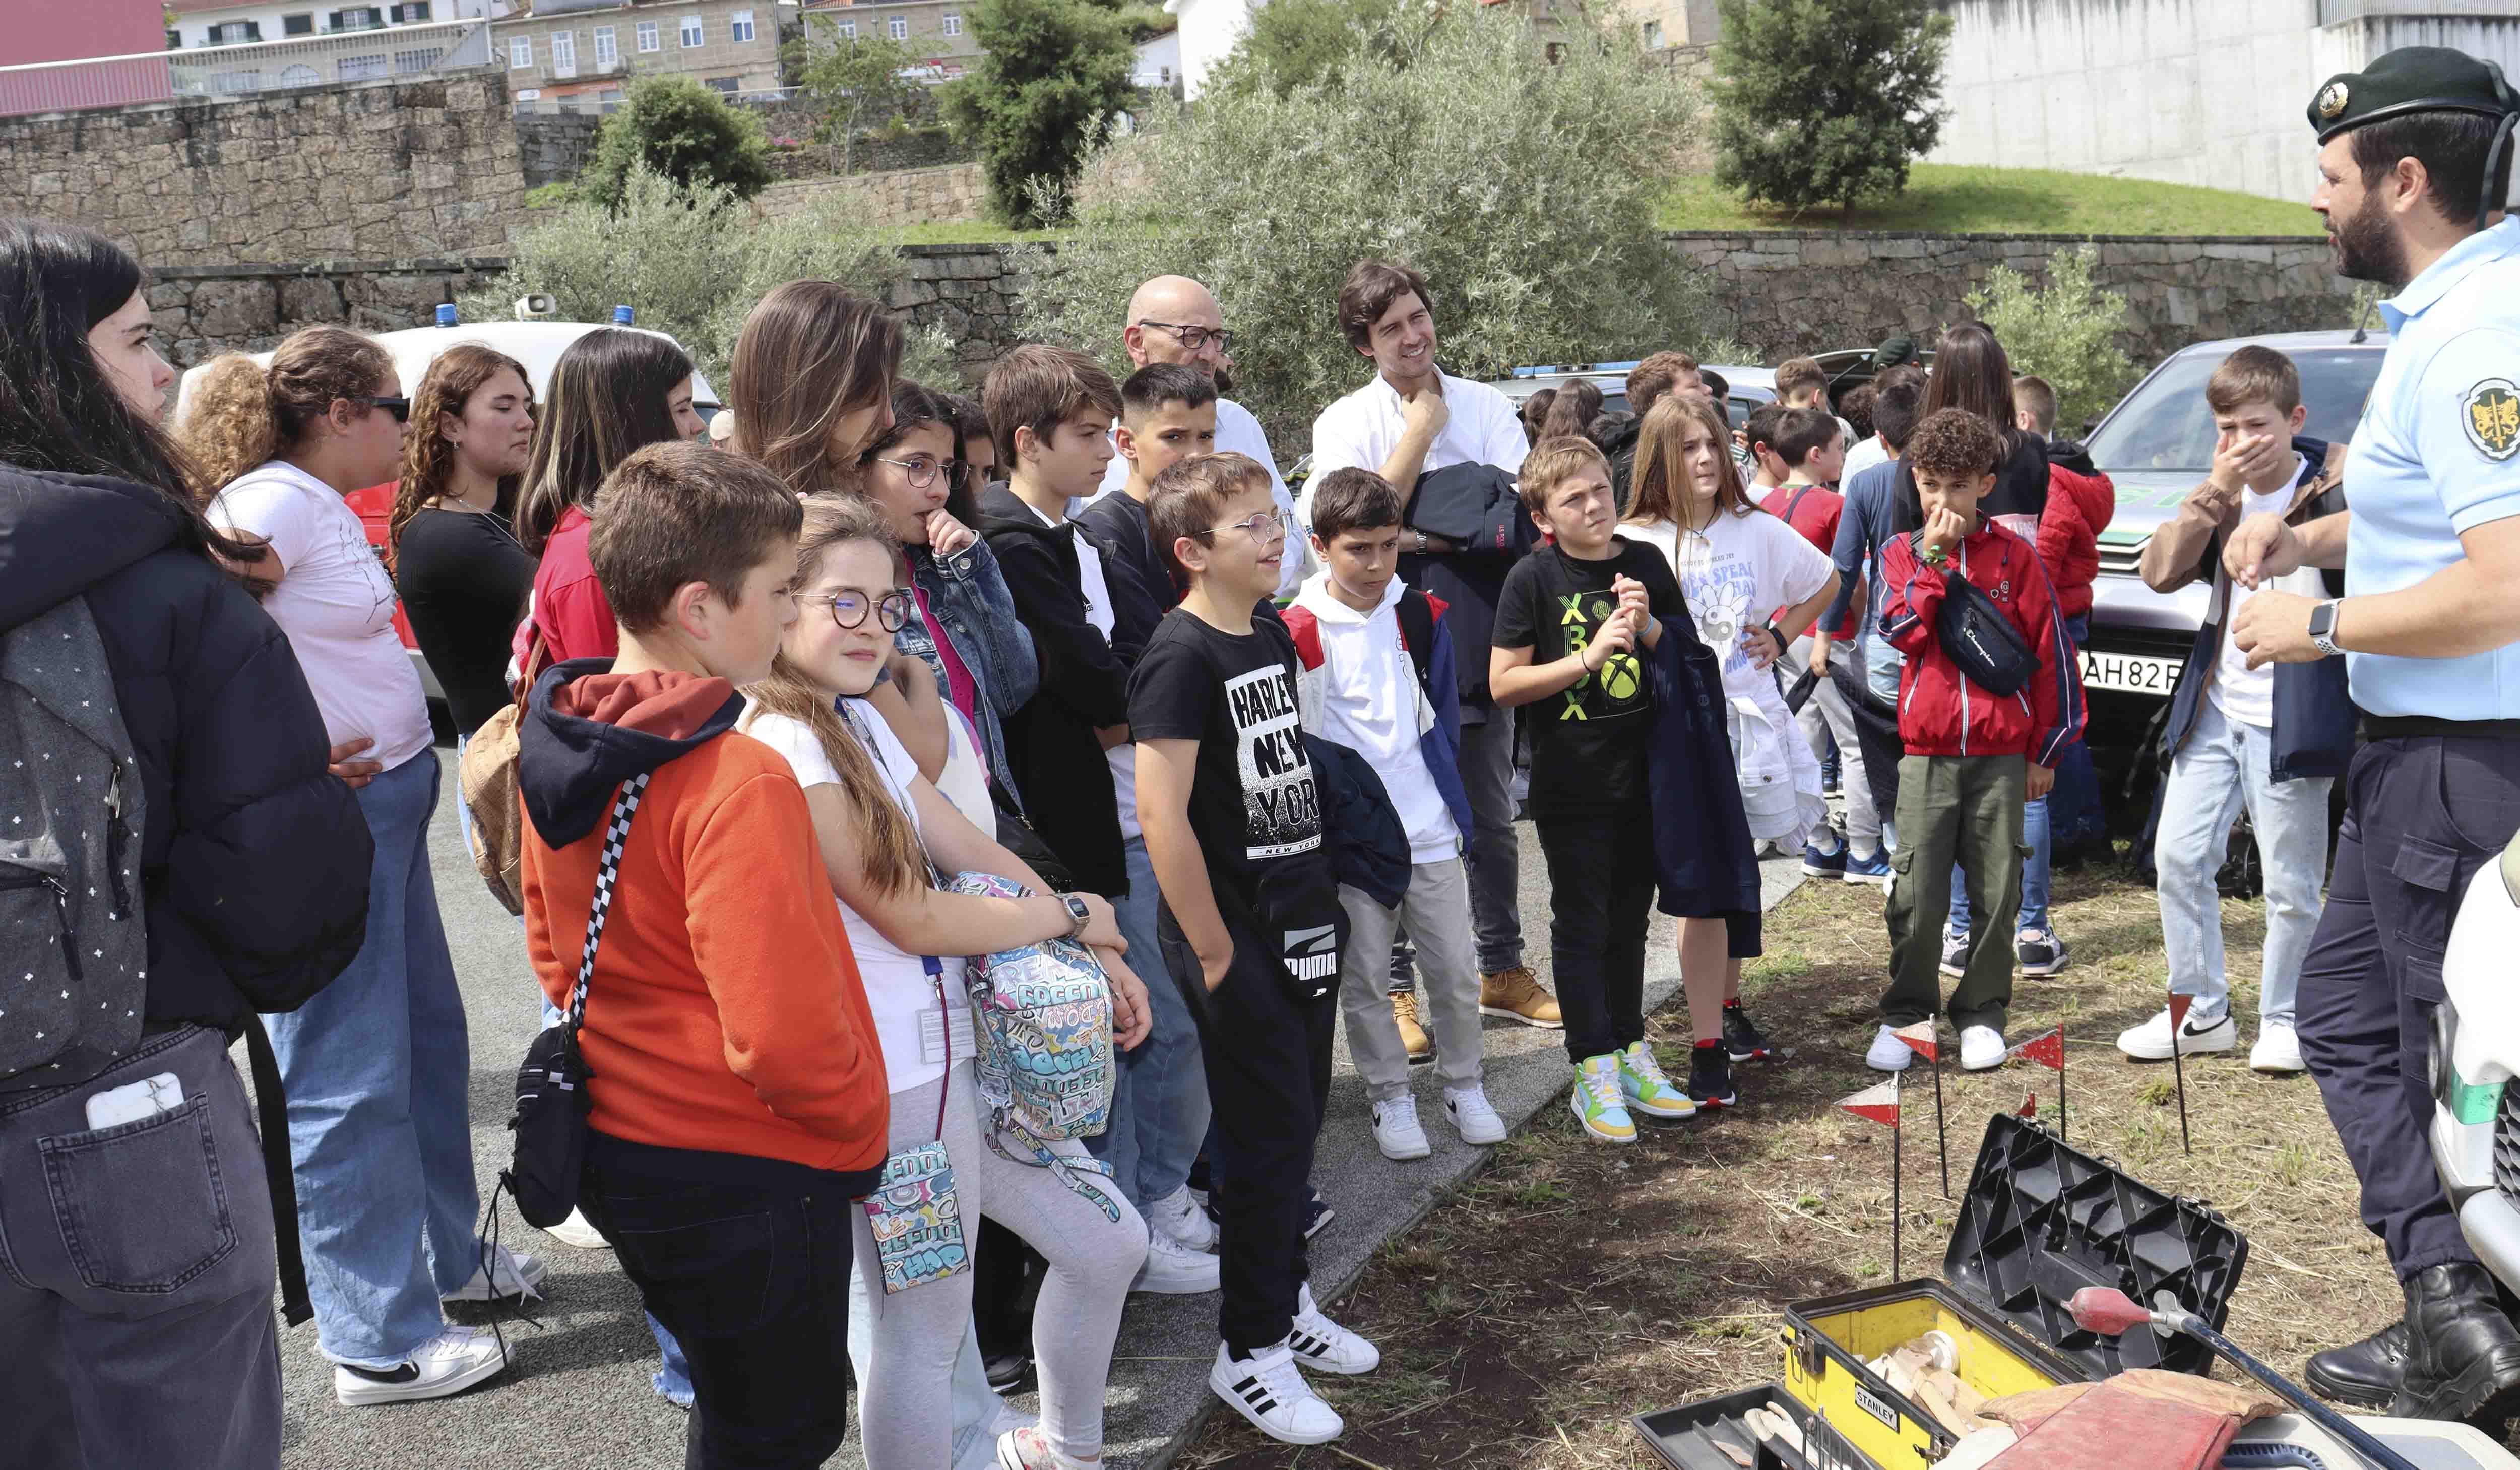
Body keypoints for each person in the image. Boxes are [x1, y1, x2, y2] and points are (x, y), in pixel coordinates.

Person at [0, 217, 370, 1470]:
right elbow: (291, 900)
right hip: (129, 1088)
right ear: (46, 364)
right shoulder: (161, 579)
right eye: (138, 341)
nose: (165, 375)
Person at [2224, 49, 2520, 1424]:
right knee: (2345, 1016)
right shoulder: (2464, 311)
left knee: (2437, 1060)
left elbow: (2507, 580)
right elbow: (2435, 519)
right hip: (2426, 762)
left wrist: (2317, 630)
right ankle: (2448, 1305)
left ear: (2404, 181)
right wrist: (2313, 530)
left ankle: (2476, 1330)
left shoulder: (2473, 339)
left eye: (2333, 178)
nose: (2319, 202)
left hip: (2459, 767)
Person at [737, 495, 1154, 1470]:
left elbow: (964, 839)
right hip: (898, 1091)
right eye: (846, 602)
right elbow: (910, 913)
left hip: (965, 1069)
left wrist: (1087, 942)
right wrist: (1076, 915)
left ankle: (1069, 1452)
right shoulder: (786, 742)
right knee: (922, 1333)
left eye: (887, 606)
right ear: (779, 599)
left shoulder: (851, 720)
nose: (873, 628)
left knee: (1107, 1244)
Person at [184, 326, 538, 1400]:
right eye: (395, 406)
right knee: (346, 1072)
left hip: (382, 810)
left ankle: (444, 1264)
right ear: (342, 413)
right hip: (332, 824)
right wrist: (275, 753)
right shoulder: (273, 501)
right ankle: (373, 1337)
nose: (405, 424)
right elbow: (191, 616)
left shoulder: (307, 499)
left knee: (426, 1043)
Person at [519, 441, 888, 1467]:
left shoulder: (560, 733)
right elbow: (780, 1036)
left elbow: (556, 955)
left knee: (733, 1406)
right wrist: (859, 1121)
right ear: (697, 607)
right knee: (783, 1428)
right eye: (777, 589)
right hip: (749, 1165)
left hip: (626, 1147)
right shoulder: (739, 777)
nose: (786, 611)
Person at [1132, 452, 1383, 1447]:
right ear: (1192, 552)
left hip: (1298, 918)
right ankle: (1249, 1353)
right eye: (1249, 526)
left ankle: (1285, 1307)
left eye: (1273, 517)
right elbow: (1161, 814)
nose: (1273, 536)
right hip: (1228, 936)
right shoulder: (1180, 655)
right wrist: (1211, 947)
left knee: (1297, 1125)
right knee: (1266, 1136)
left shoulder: (1269, 633)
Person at [978, 345, 1213, 1295]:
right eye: (1085, 436)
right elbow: (1079, 674)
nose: (1100, 455)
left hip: (1108, 805)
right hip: (1071, 824)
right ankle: (1127, 1224)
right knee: (1124, 1032)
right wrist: (1144, 700)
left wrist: (1137, 694)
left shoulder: (1076, 534)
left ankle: (1148, 1205)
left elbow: (1127, 655)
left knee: (1151, 1023)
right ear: (1027, 441)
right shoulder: (1007, 537)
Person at [1305, 259, 1560, 1030]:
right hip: (1376, 643)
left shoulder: (1486, 404)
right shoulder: (1344, 422)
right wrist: (1420, 438)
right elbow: (1352, 525)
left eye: (1418, 316)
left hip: (1480, 632)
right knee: (1382, 807)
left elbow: (1517, 519)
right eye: (1391, 328)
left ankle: (1502, 964)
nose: (1413, 336)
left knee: (1485, 813)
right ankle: (1395, 986)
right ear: (1364, 345)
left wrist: (1414, 532)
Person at [733, 285, 1041, 808]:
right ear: (818, 393)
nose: (884, 420)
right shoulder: (779, 537)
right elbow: (923, 755)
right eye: (870, 397)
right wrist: (914, 670)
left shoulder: (786, 525)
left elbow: (1011, 686)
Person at [2126, 346, 2347, 1073]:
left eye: (2256, 425)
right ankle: (2200, 1010)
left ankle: (2285, 1016)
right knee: (2179, 858)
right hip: (2217, 706)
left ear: (2295, 420)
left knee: (2290, 880)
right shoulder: (2220, 492)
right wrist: (2213, 491)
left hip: (2298, 711)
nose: (2241, 443)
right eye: (2225, 428)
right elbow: (2158, 571)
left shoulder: (2336, 487)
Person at [1284, 468, 1507, 1159]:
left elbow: (1438, 718)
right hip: (1353, 840)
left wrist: (1451, 805)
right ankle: (1390, 1097)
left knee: (1455, 970)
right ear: (1322, 546)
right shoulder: (1295, 627)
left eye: (1388, 545)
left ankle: (1464, 1083)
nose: (1377, 563)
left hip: (1429, 825)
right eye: (1359, 548)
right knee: (1368, 978)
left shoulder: (1418, 611)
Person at [1622, 398, 1836, 1100]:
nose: (1707, 459)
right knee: (1699, 893)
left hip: (1750, 725)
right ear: (1660, 458)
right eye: (1688, 448)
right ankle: (1702, 1039)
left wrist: (1779, 637)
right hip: (1672, 734)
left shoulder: (1755, 528)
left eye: (1713, 444)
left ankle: (1724, 1012)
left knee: (1737, 883)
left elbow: (1826, 581)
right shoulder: (1634, 540)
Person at [1491, 435, 1702, 1136]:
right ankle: (1592, 1068)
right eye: (1573, 498)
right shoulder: (1532, 578)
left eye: (1600, 491)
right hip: (1572, 781)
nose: (1593, 506)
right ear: (1545, 517)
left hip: (1646, 775)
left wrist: (1647, 631)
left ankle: (1630, 1046)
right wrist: (1585, 657)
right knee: (1583, 924)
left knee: (1630, 922)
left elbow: (1687, 652)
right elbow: (1502, 684)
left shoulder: (1643, 561)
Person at [1866, 409, 2081, 1076]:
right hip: (1927, 754)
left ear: (1986, 484)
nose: (1942, 501)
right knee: (1917, 891)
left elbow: (2053, 657)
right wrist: (1932, 561)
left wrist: (2045, 751)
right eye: (1930, 485)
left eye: (1958, 486)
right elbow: (1900, 631)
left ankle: (1984, 1012)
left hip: (2000, 757)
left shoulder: (2017, 558)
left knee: (1998, 890)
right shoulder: (1902, 552)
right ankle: (1907, 1017)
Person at [1077, 362, 1222, 1261]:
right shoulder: (1105, 535)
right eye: (1175, 437)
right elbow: (1118, 691)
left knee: (1193, 1018)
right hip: (1132, 816)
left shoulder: (1198, 525)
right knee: (1157, 1024)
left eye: (1206, 436)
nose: (1192, 454)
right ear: (1126, 441)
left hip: (1199, 807)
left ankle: (1171, 1188)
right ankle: (1153, 1200)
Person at [1924, 325, 2061, 983]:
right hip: (2014, 623)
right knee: (2027, 785)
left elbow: (1910, 542)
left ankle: (1960, 928)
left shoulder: (1916, 461)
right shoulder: (2029, 450)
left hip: (1947, 629)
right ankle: (2031, 926)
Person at [1090, 274, 1308, 597]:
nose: (1209, 354)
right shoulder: (1091, 443)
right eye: (1192, 336)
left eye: (1217, 338)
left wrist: (1244, 599)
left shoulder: (1239, 424)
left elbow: (1285, 530)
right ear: (1137, 342)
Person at [513, 327, 710, 667]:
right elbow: (616, 706)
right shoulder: (588, 559)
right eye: (682, 409)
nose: (698, 425)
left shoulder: (632, 533)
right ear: (633, 425)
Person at [388, 343, 537, 761]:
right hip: (504, 760)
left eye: (526, 406)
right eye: (504, 408)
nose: (526, 422)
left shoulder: (497, 516)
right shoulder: (445, 535)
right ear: (451, 427)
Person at [1814, 364, 1930, 877]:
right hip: (1941, 631)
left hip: (1885, 634)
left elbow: (1842, 567)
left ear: (1878, 435)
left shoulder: (1865, 483)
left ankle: (1897, 853)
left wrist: (1823, 635)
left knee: (1885, 749)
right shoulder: (1951, 479)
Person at [1755, 406, 1879, 879]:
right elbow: (1850, 577)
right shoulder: (1834, 506)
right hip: (1829, 635)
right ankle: (1865, 849)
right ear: (1816, 454)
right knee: (1855, 744)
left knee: (1805, 736)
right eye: (1838, 449)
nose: (1843, 457)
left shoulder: (1765, 505)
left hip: (1784, 634)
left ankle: (1818, 842)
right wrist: (1858, 623)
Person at [2018, 373, 2117, 865]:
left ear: (2022, 421)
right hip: (2065, 609)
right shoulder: (2068, 472)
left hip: (2052, 613)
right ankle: (2078, 826)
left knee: (2059, 728)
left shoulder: (2051, 479)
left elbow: (2041, 559)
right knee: (2062, 722)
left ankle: (2077, 829)